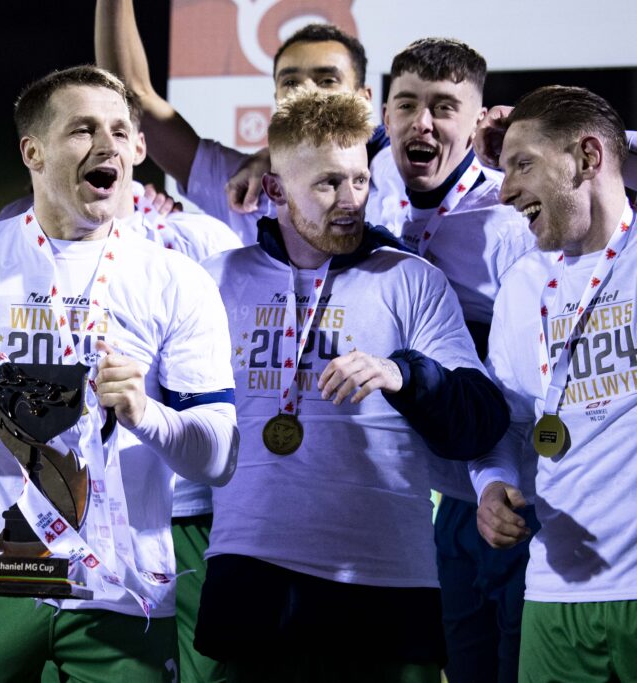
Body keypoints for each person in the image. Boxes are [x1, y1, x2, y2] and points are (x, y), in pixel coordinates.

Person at [0, 65, 238, 682]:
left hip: (121, 579)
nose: (108, 146)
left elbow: (219, 458)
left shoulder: (176, 277)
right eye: (83, 130)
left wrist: (147, 414)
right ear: (34, 151)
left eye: (121, 131)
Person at [195, 89, 510, 682]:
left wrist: (405, 374)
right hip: (251, 579)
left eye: (361, 180)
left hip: (387, 587)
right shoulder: (218, 282)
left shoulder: (410, 280)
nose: (351, 202)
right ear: (276, 190)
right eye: (327, 184)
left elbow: (481, 420)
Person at [372, 38, 538, 683]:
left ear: (479, 121)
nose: (423, 123)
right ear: (384, 117)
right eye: (406, 104)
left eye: (445, 108)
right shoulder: (373, 193)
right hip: (437, 501)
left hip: (516, 495)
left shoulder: (510, 218)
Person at [472, 85, 637, 683]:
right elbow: (510, 423)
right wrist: (492, 488)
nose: (504, 188)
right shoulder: (521, 286)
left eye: (523, 165)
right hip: (554, 591)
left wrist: (615, 141)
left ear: (588, 158)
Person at [95, 0, 383, 244]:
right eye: (291, 82)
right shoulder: (243, 185)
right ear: (276, 96)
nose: (307, 91)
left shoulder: (398, 179)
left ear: (364, 97)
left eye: (327, 80)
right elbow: (132, 97)